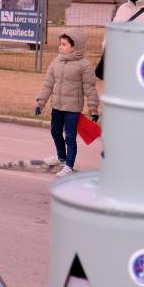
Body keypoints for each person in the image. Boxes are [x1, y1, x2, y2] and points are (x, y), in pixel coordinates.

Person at [35, 29, 99, 177]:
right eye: (60, 44)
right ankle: (61, 157)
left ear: (75, 46)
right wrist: (41, 102)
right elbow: (48, 84)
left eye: (64, 44)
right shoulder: (56, 62)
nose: (60, 47)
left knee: (70, 137)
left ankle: (69, 165)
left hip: (72, 109)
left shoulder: (84, 65)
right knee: (55, 132)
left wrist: (93, 108)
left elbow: (90, 88)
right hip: (57, 106)